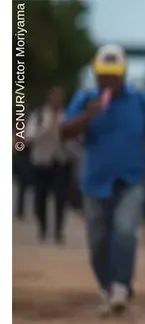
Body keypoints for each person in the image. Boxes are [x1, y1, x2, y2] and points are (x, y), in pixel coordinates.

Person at [61, 44, 145, 315]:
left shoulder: (139, 100)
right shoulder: (85, 99)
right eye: (103, 75)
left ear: (123, 74)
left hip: (131, 179)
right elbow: (64, 132)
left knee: (124, 231)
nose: (109, 81)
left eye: (114, 75)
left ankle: (122, 286)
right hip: (95, 181)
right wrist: (88, 115)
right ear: (96, 75)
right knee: (97, 239)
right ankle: (106, 286)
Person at [25, 86, 72, 244]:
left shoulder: (68, 116)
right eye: (54, 97)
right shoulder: (39, 116)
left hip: (61, 160)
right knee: (40, 197)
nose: (56, 101)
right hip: (41, 161)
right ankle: (43, 229)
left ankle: (58, 230)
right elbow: (28, 136)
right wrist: (46, 129)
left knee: (60, 198)